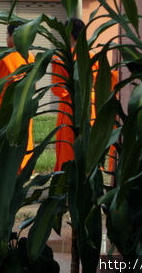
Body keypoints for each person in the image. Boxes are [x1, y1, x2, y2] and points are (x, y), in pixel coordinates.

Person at [0, 22, 35, 169]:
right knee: (23, 141)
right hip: (24, 106)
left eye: (7, 34)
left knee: (3, 145)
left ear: (12, 36)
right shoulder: (31, 57)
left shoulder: (4, 58)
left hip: (5, 109)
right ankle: (22, 170)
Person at [52, 17, 89, 172]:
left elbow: (59, 89)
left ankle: (68, 186)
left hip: (70, 108)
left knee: (68, 149)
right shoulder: (93, 56)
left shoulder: (61, 58)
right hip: (90, 107)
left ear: (69, 34)